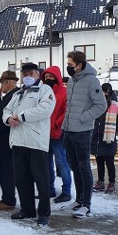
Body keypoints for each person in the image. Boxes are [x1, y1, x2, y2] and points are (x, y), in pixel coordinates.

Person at [2, 63, 55, 226]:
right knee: (21, 179)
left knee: (41, 180)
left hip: (36, 142)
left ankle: (44, 212)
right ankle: (27, 209)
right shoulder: (18, 93)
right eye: (24, 73)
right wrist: (8, 119)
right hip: (18, 141)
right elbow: (6, 110)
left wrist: (21, 116)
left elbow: (45, 109)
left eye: (30, 73)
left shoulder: (45, 91)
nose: (27, 76)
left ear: (37, 74)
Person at [62, 50, 107, 218]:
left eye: (70, 65)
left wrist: (82, 118)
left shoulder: (91, 81)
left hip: (82, 132)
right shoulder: (73, 81)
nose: (68, 67)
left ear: (79, 65)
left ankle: (86, 204)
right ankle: (79, 200)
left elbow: (100, 106)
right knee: (74, 167)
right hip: (69, 130)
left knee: (84, 167)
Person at [0, 71, 20, 211]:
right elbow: (0, 113)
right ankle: (6, 197)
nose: (1, 86)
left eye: (2, 82)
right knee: (4, 169)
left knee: (7, 170)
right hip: (4, 138)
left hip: (7, 139)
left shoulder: (15, 95)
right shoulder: (9, 96)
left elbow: (3, 120)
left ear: (7, 82)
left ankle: (9, 200)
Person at [40, 66, 73, 203]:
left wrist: (56, 124)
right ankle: (50, 189)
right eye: (46, 77)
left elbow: (67, 111)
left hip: (57, 135)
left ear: (57, 77)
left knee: (62, 163)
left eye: (50, 76)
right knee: (46, 165)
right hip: (44, 134)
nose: (48, 79)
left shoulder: (65, 92)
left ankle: (66, 191)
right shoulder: (42, 92)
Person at [91, 83, 118, 194]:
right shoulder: (97, 104)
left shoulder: (115, 105)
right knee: (99, 162)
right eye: (103, 91)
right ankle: (100, 182)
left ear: (110, 92)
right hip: (97, 138)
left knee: (110, 162)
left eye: (106, 92)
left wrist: (112, 131)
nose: (104, 94)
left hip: (109, 139)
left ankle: (111, 183)